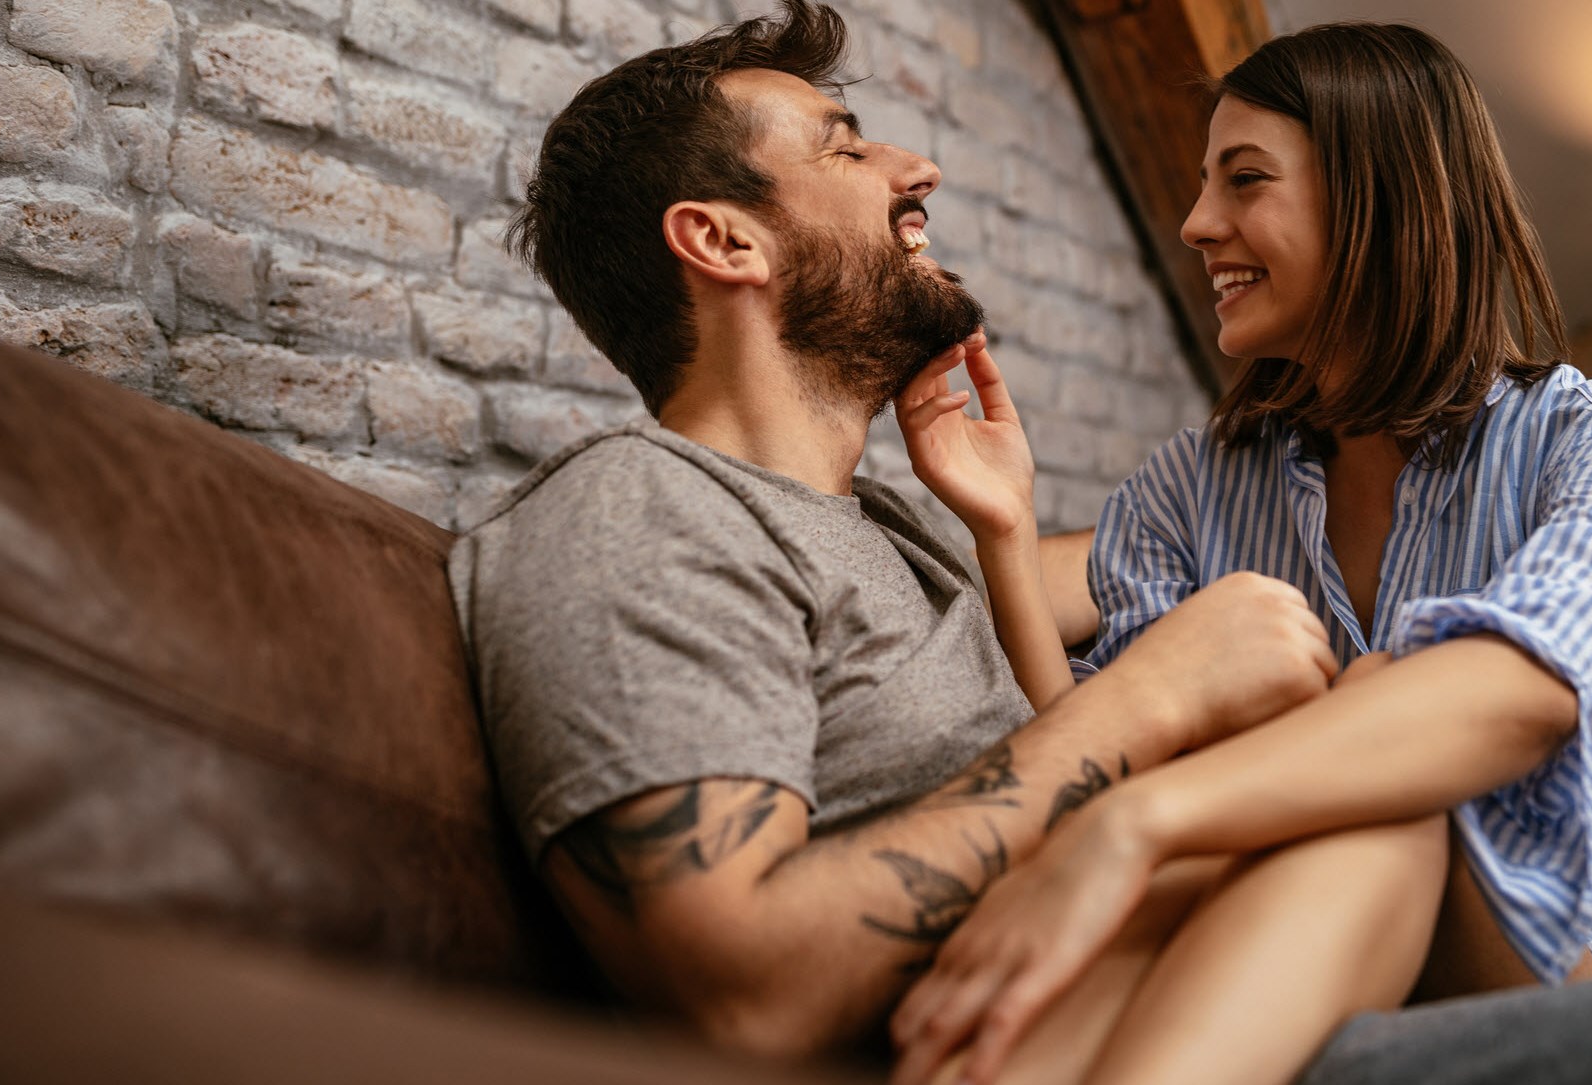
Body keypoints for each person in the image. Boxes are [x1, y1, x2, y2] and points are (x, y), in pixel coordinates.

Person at [448, 0, 1343, 1063]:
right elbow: (744, 991)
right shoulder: (634, 511)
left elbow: (1126, 632)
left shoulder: (889, 526)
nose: (917, 170)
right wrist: (1150, 699)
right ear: (724, 239)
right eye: (846, 146)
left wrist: (1007, 530)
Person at [884, 20, 1592, 1085]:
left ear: (1382, 195)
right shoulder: (1195, 480)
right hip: (1261, 937)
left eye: (1245, 180)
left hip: (1527, 981)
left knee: (1381, 720)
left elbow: (1523, 691)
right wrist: (1004, 527)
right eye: (1200, 184)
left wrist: (1138, 822)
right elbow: (1092, 741)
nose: (1195, 222)